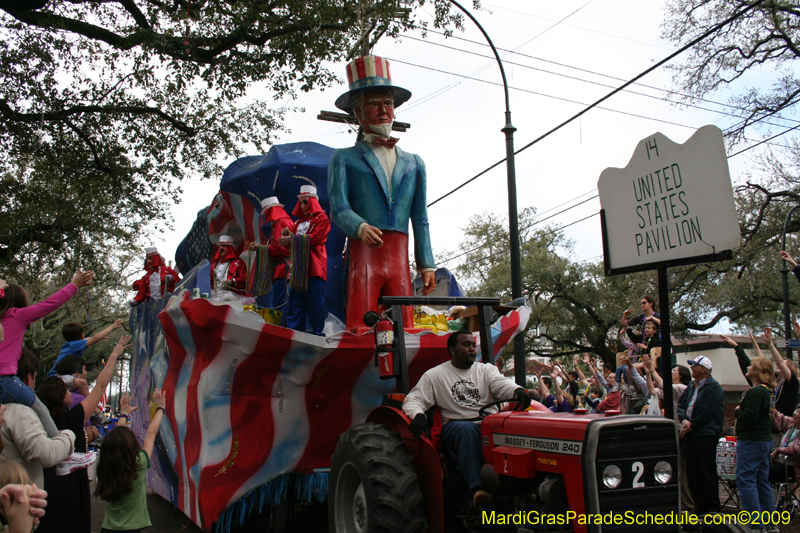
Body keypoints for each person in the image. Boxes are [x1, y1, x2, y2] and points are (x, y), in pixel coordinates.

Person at [328, 55, 436, 332]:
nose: (383, 110)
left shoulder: (414, 162)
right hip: (363, 255)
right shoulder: (344, 158)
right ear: (358, 112)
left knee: (405, 324)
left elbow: (420, 216)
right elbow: (338, 208)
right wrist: (360, 226)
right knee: (361, 324)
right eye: (374, 104)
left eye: (387, 103)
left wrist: (427, 265)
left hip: (399, 256)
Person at [402, 330, 530, 510]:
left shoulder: (486, 370)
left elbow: (501, 384)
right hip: (456, 427)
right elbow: (413, 400)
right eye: (466, 345)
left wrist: (516, 391)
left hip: (488, 425)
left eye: (473, 345)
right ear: (452, 350)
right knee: (466, 429)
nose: (472, 349)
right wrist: (418, 415)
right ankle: (479, 490)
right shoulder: (435, 375)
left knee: (518, 425)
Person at [34, 335, 130, 533]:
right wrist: (114, 355)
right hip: (71, 488)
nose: (70, 389)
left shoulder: (41, 421)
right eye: (65, 389)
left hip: (46, 485)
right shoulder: (73, 418)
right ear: (61, 399)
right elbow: (101, 386)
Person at [0, 271, 94, 438]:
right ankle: (58, 445)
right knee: (39, 408)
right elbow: (49, 304)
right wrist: (74, 286)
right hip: (5, 380)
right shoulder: (16, 316)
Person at [0, 349, 75, 488]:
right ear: (29, 377)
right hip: (19, 498)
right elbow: (46, 454)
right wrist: (68, 436)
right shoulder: (20, 412)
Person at [95, 389, 166, 532]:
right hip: (132, 529)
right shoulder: (138, 463)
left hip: (107, 528)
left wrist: (124, 414)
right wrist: (161, 407)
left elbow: (117, 441)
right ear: (131, 444)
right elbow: (151, 432)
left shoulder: (106, 463)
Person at [277, 186, 330, 335]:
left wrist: (291, 238)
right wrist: (289, 235)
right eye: (300, 203)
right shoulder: (298, 223)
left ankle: (318, 335)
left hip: (313, 269)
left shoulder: (322, 219)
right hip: (296, 272)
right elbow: (293, 246)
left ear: (313, 202)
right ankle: (295, 336)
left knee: (315, 305)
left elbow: (316, 238)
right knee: (295, 305)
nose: (303, 206)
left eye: (305, 202)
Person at [677, 355, 724, 516]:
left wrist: (692, 425)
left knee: (706, 470)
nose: (691, 368)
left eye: (695, 365)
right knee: (693, 471)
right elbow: (682, 404)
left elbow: (708, 411)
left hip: (705, 434)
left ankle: (712, 506)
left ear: (703, 369)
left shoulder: (714, 387)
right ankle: (699, 505)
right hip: (691, 433)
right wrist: (684, 420)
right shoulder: (692, 386)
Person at [734, 356, 776, 530]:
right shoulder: (767, 391)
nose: (748, 367)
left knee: (746, 480)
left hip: (751, 441)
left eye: (751, 365)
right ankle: (769, 522)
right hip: (763, 440)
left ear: (758, 370)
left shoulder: (756, 392)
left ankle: (755, 522)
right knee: (761, 481)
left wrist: (738, 411)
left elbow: (750, 417)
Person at [250, 196, 294, 309]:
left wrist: (260, 248)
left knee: (281, 301)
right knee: (280, 300)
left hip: (283, 269)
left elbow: (280, 248)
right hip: (280, 269)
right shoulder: (281, 223)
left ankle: (282, 325)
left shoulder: (281, 223)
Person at [47, 318, 123, 377]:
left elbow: (91, 339)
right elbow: (94, 338)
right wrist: (112, 327)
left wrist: (98, 338)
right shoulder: (74, 345)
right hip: (57, 376)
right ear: (82, 335)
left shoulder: (70, 345)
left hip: (55, 376)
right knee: (81, 385)